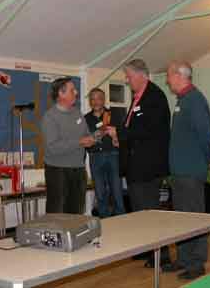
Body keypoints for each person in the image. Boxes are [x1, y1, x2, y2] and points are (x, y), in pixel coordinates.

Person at [105, 58, 171, 267]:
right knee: (141, 213)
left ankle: (162, 255)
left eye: (129, 76)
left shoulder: (155, 97)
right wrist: (119, 138)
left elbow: (149, 131)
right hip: (136, 166)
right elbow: (135, 130)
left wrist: (120, 132)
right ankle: (148, 250)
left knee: (150, 212)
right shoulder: (138, 97)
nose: (127, 80)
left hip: (148, 166)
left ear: (142, 75)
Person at [163, 61, 210, 280]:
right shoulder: (183, 100)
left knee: (194, 217)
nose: (168, 80)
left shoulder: (195, 100)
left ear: (179, 76)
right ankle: (184, 259)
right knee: (182, 219)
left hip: (190, 171)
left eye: (169, 76)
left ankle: (196, 263)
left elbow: (205, 133)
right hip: (179, 172)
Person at [42, 77, 95, 214]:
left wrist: (94, 138)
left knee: (76, 211)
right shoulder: (50, 117)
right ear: (61, 93)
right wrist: (80, 142)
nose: (76, 92)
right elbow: (53, 147)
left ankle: (72, 236)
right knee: (58, 212)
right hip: (58, 171)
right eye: (72, 90)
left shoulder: (77, 113)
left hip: (78, 169)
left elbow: (86, 135)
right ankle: (57, 236)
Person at [84, 87, 125, 218]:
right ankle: (105, 223)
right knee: (100, 193)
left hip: (113, 156)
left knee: (117, 191)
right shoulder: (85, 119)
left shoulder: (114, 115)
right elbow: (84, 141)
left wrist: (116, 137)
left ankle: (122, 221)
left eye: (99, 99)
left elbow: (124, 135)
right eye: (93, 99)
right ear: (90, 101)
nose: (96, 102)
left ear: (104, 100)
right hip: (95, 157)